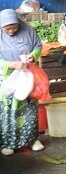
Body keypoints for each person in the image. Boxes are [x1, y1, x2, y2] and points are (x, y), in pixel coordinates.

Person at [0, 9, 44, 155]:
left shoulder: (28, 29)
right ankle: (8, 143)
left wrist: (32, 56)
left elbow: (38, 46)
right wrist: (12, 64)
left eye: (14, 27)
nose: (11, 31)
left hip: (26, 75)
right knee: (9, 110)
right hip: (7, 78)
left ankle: (32, 139)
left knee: (29, 108)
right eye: (7, 29)